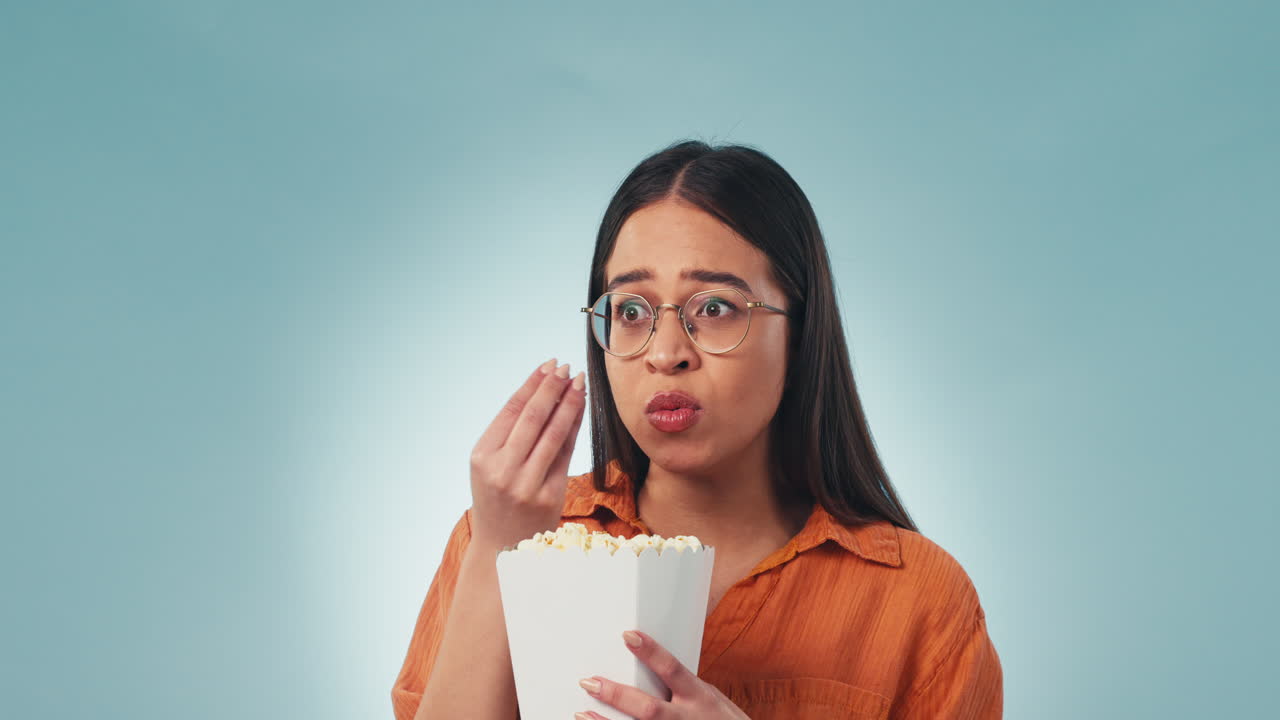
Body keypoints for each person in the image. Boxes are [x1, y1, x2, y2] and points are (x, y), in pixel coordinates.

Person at [391, 140, 1003, 720]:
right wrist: (501, 551)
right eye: (630, 311)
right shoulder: (509, 534)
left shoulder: (920, 599)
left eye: (713, 308)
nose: (665, 353)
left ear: (801, 330)